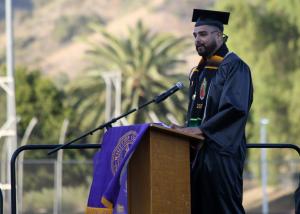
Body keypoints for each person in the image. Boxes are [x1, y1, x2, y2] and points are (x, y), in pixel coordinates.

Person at [172, 9, 253, 213]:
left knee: (225, 209)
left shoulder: (235, 66)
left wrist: (201, 131)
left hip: (222, 155)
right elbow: (198, 114)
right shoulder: (199, 72)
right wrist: (183, 130)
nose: (198, 39)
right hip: (197, 155)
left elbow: (235, 108)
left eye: (203, 34)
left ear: (219, 35)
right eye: (195, 35)